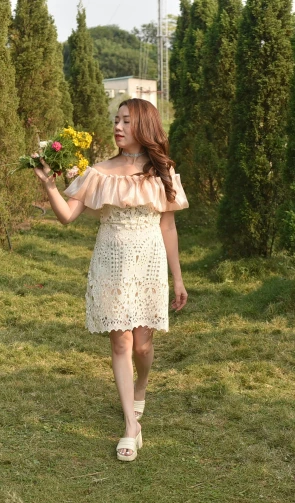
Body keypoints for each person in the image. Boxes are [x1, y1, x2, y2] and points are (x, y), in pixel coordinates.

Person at [33, 98, 189, 462]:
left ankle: (141, 387)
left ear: (144, 127)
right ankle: (131, 428)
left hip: (148, 263)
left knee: (142, 346)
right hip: (110, 262)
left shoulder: (162, 172)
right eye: (116, 120)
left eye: (126, 121)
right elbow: (69, 216)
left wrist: (177, 278)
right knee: (121, 341)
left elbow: (168, 225)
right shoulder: (100, 172)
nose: (118, 127)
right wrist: (49, 186)